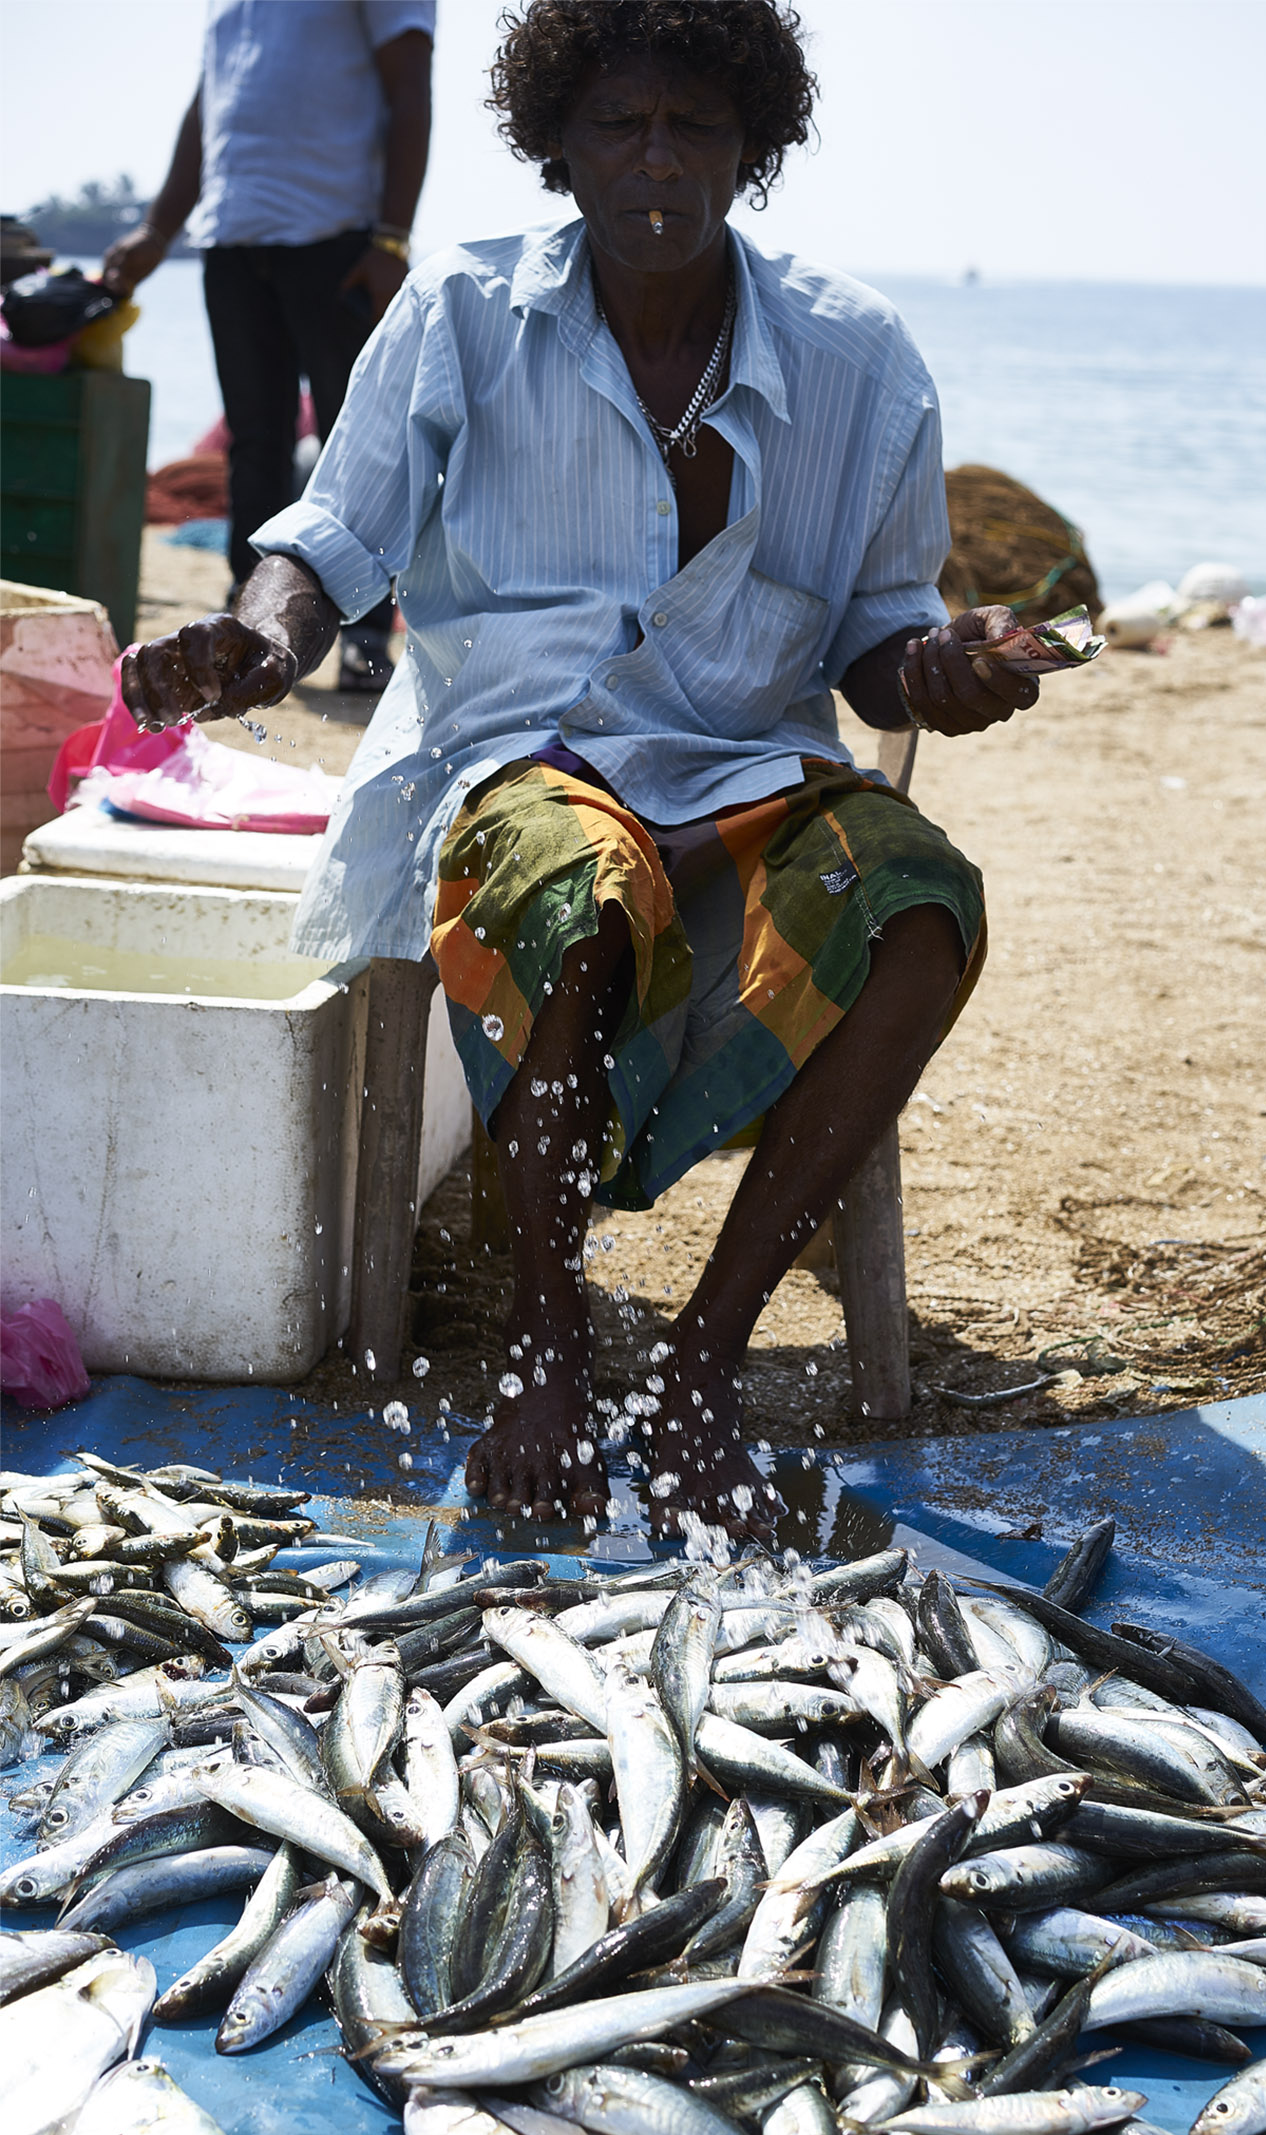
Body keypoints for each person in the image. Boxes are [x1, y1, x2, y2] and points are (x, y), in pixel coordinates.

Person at [120, 0, 1042, 1536]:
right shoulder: (460, 312)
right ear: (557, 143)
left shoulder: (860, 354)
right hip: (514, 757)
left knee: (927, 904)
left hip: (751, 766)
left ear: (757, 144)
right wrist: (257, 647)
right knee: (579, 881)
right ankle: (546, 1350)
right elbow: (330, 542)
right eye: (621, 124)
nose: (658, 159)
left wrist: (942, 673)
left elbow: (883, 634)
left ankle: (699, 1366)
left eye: (695, 125)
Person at [101, 0, 434, 691]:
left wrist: (392, 237)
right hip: (232, 240)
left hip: (336, 238)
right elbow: (206, 108)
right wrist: (161, 230)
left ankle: (368, 639)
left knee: (359, 441)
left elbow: (410, 84)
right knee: (254, 441)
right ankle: (244, 631)